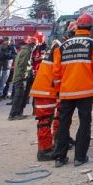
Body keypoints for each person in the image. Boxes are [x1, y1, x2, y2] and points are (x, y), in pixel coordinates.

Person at [52, 13, 93, 167]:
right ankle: (80, 157)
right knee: (84, 123)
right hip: (85, 91)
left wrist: (58, 89)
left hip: (66, 91)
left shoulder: (63, 46)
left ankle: (59, 157)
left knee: (63, 123)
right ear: (90, 27)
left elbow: (56, 71)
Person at [28, 34, 59, 162]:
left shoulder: (55, 47)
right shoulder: (58, 49)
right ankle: (44, 151)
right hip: (46, 90)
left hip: (44, 89)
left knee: (47, 120)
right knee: (45, 121)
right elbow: (58, 72)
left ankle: (48, 147)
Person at [7, 37, 35, 120]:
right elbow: (23, 65)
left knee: (20, 96)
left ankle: (17, 113)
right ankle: (13, 115)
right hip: (21, 77)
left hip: (20, 76)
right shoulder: (27, 51)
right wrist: (25, 74)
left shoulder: (24, 50)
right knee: (18, 96)